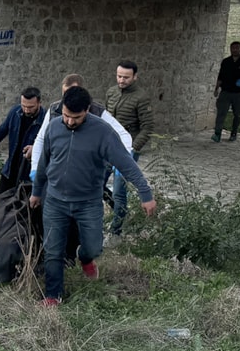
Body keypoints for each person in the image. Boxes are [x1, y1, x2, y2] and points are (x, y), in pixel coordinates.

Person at [29, 86, 156, 307]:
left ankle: (85, 257)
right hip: (55, 201)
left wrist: (145, 193)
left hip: (87, 203)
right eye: (66, 115)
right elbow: (44, 165)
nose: (69, 122)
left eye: (75, 118)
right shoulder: (53, 128)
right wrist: (37, 192)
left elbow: (126, 164)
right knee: (53, 250)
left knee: (94, 246)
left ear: (87, 110)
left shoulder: (103, 133)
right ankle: (53, 295)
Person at [30, 74, 132, 263]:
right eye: (65, 96)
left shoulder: (98, 113)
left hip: (86, 176)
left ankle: (79, 252)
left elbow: (123, 135)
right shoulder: (54, 110)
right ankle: (58, 257)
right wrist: (36, 168)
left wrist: (123, 159)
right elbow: (41, 139)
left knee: (81, 220)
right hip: (57, 177)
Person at [104, 61, 154, 245]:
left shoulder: (141, 97)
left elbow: (147, 127)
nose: (122, 80)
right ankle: (112, 213)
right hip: (107, 147)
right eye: (119, 76)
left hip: (127, 150)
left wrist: (134, 149)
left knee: (119, 190)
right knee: (96, 183)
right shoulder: (111, 92)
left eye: (126, 77)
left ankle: (116, 231)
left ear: (135, 77)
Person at [0, 87, 45, 194]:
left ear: (39, 103)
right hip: (10, 169)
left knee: (23, 207)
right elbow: (0, 133)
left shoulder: (46, 120)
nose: (26, 110)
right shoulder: (15, 112)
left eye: (31, 107)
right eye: (24, 106)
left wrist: (35, 149)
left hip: (29, 173)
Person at [212, 41, 240, 142]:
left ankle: (234, 133)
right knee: (221, 113)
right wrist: (216, 89)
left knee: (237, 114)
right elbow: (220, 76)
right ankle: (217, 133)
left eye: (237, 48)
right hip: (226, 91)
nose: (235, 50)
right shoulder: (226, 62)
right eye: (233, 48)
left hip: (239, 93)